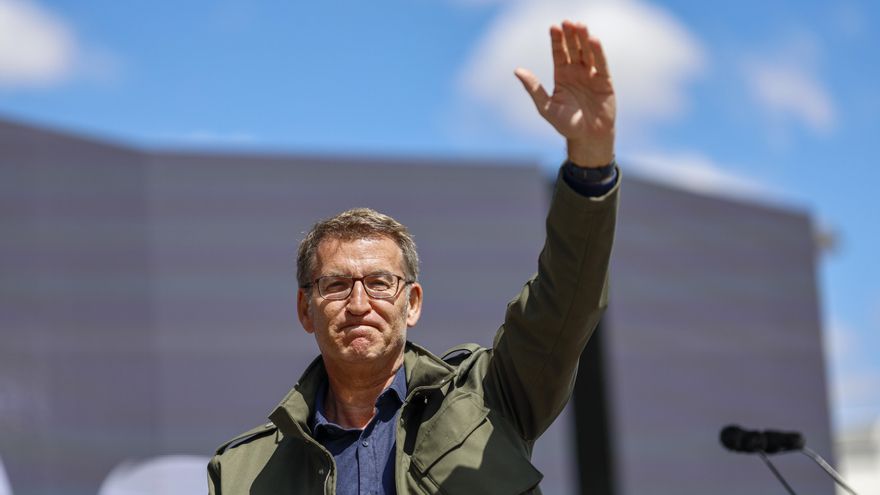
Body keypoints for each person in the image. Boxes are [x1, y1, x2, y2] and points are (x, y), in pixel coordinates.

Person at [208, 20, 619, 495]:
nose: (359, 304)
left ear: (414, 302)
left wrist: (590, 168)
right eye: (336, 284)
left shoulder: (491, 397)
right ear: (305, 308)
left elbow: (564, 301)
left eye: (380, 283)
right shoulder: (244, 472)